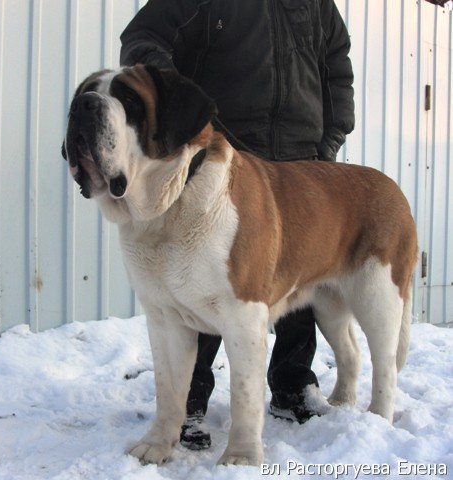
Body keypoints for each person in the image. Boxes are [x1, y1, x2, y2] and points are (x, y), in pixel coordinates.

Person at [120, 0, 354, 450]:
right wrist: (175, 100)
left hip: (301, 155)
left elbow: (336, 64)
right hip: (224, 152)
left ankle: (292, 387)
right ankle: (188, 402)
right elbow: (143, 38)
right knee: (204, 283)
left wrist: (334, 134)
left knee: (295, 276)